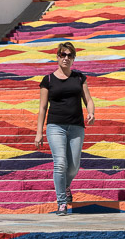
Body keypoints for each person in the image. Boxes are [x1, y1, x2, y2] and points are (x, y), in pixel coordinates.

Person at [34, 41, 95, 215]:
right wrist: (39, 133)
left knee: (74, 166)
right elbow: (42, 108)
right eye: (63, 55)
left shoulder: (79, 77)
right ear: (57, 57)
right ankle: (62, 202)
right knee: (60, 163)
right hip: (55, 127)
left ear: (74, 58)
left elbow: (88, 100)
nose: (66, 58)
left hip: (76, 126)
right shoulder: (48, 80)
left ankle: (66, 186)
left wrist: (91, 112)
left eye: (69, 55)